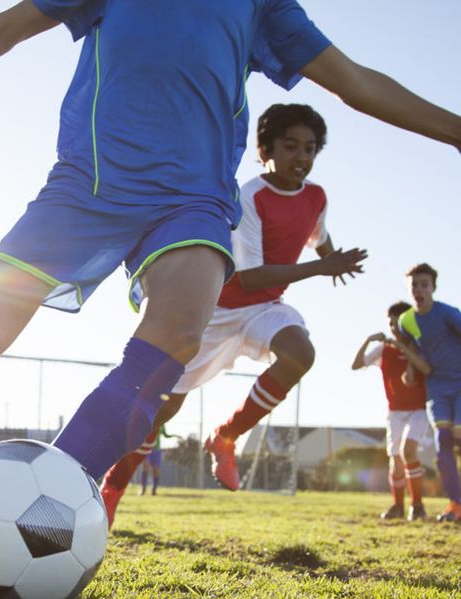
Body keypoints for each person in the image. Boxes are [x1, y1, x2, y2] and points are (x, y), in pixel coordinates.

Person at [0, 1, 461, 492]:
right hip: (89, 186)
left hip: (194, 198)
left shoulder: (263, 4)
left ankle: (59, 484)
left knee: (179, 334)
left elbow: (353, 81)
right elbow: (4, 30)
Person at [100, 103, 366, 524]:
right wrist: (322, 267)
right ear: (266, 151)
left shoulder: (316, 197)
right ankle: (113, 488)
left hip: (263, 309)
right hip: (218, 308)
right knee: (164, 409)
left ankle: (226, 437)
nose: (301, 157)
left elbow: (319, 236)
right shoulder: (250, 196)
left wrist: (335, 259)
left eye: (310, 148)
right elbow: (255, 275)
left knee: (301, 352)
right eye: (290, 146)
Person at [351, 301, 431, 521]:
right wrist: (368, 340)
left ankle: (417, 505)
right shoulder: (384, 349)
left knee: (409, 451)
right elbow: (356, 365)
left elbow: (427, 370)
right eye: (391, 324)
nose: (394, 329)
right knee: (395, 460)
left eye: (398, 324)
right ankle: (398, 506)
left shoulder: (419, 346)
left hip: (418, 410)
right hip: (394, 411)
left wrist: (406, 349)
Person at [399, 264, 461, 522]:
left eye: (424, 284)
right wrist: (411, 369)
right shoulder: (406, 321)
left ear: (433, 287)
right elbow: (413, 348)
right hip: (436, 388)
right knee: (442, 441)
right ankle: (456, 505)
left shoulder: (448, 313)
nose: (419, 289)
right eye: (414, 285)